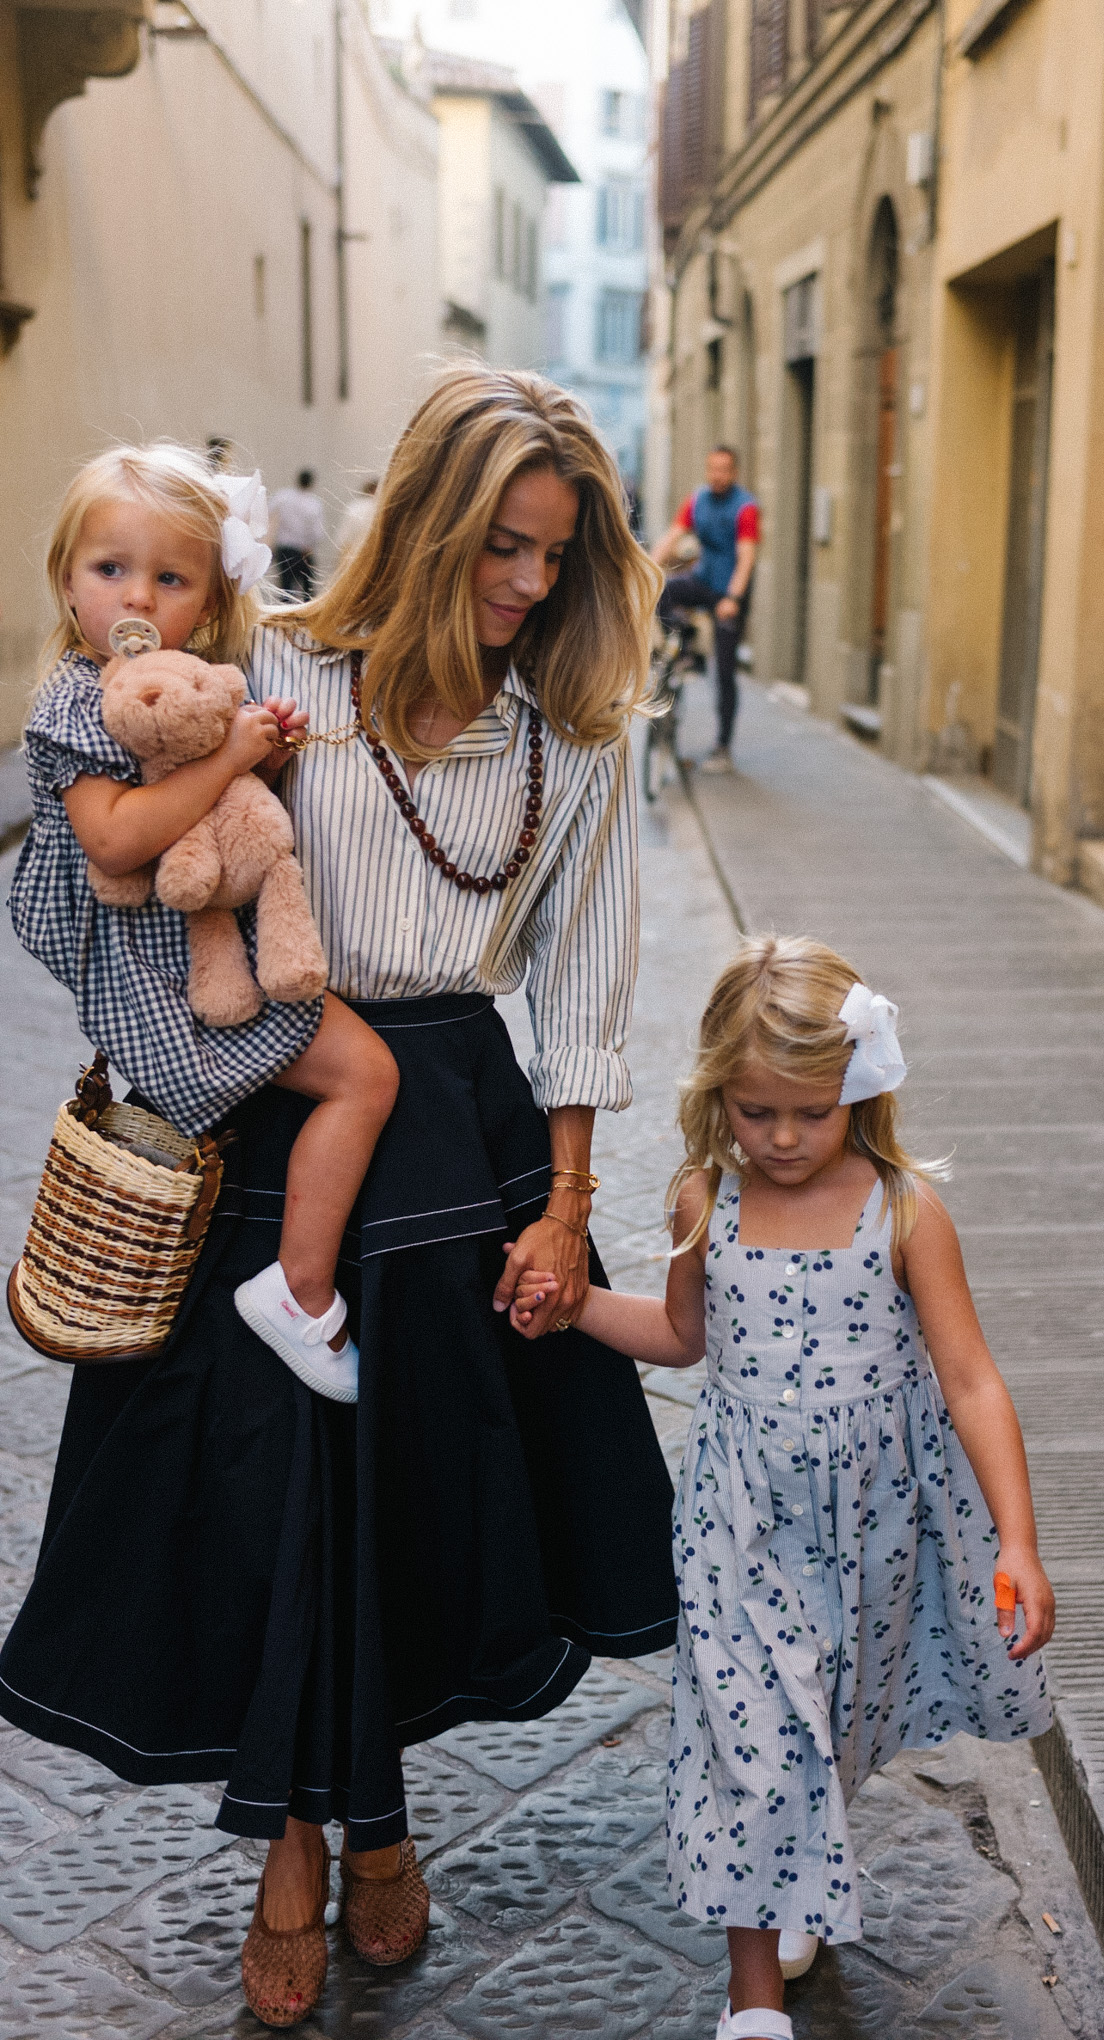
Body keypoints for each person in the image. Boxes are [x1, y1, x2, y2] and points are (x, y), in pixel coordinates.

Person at [0, 370, 678, 2029]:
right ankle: (316, 1851)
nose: (526, 586)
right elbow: (109, 813)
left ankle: (367, 1827)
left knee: (409, 1511)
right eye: (504, 548)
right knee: (284, 1510)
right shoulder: (279, 665)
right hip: (275, 1107)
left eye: (555, 559)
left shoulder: (567, 732)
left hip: (461, 1132)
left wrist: (569, 1202)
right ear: (435, 525)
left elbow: (587, 968)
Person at [511, 935, 1055, 2040]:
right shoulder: (700, 1203)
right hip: (737, 1527)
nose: (785, 1137)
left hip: (872, 1532)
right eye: (757, 1113)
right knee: (746, 1744)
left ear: (857, 1088)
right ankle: (752, 2002)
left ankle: (789, 1872)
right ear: (721, 1098)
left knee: (828, 1735)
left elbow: (970, 1381)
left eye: (810, 1111)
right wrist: (570, 1310)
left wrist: (1017, 1542)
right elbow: (676, 1335)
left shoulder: (906, 1215)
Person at [9, 443, 398, 1402]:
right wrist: (227, 760)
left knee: (356, 1079)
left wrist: (261, 761)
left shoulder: (183, 683)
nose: (137, 597)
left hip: (198, 949)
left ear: (211, 604)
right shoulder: (74, 704)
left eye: (170, 576)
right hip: (156, 972)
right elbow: (114, 839)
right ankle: (299, 1291)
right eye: (111, 570)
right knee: (366, 1075)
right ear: (67, 583)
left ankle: (284, 1281)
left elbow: (204, 817)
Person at [653, 445, 760, 774]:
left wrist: (734, 599)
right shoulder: (696, 500)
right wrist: (647, 571)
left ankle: (723, 748)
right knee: (665, 591)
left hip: (729, 591)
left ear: (734, 472)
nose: (718, 475)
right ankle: (684, 647)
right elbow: (672, 537)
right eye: (713, 468)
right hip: (702, 580)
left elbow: (746, 558)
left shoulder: (746, 508)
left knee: (725, 672)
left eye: (724, 469)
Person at [270, 468, 326, 599]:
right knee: (307, 589)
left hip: (284, 548)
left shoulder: (283, 497)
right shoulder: (314, 504)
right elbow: (317, 532)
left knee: (286, 587)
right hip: (303, 550)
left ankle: (283, 614)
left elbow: (271, 513)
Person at [334, 477, 379, 567]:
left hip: (349, 554)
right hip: (369, 558)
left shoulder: (353, 506)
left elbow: (342, 537)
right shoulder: (377, 508)